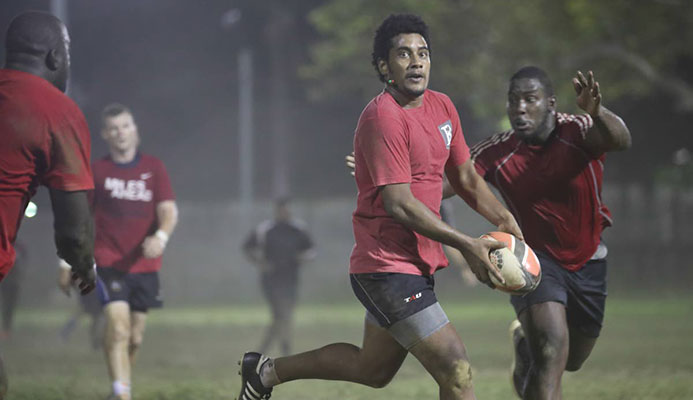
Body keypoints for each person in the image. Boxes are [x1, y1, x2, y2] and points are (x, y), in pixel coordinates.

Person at [237, 14, 522, 400]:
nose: (417, 61)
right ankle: (265, 373)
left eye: (423, 53)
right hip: (385, 269)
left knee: (371, 370)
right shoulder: (383, 116)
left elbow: (467, 178)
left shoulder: (442, 107)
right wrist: (467, 244)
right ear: (384, 67)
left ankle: (264, 373)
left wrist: (505, 219)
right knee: (456, 369)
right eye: (404, 54)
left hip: (414, 265)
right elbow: (400, 205)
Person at [468, 66, 631, 399]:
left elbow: (621, 140)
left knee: (571, 360)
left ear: (551, 103)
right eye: (513, 101)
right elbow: (449, 181)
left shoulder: (579, 129)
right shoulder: (498, 151)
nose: (520, 108)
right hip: (535, 261)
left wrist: (597, 111)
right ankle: (535, 346)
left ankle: (524, 345)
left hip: (589, 259)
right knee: (552, 350)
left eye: (530, 99)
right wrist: (383, 173)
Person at [0, 11, 96, 399]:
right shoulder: (57, 111)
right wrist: (83, 263)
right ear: (56, 56)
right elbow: (73, 228)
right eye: (68, 53)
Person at [92, 103, 178, 400]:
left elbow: (168, 210)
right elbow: (80, 219)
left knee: (135, 337)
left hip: (145, 267)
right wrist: (67, 262)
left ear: (135, 130)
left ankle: (121, 386)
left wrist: (161, 237)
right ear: (105, 134)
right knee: (118, 326)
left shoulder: (154, 168)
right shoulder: (97, 171)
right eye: (114, 128)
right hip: (108, 262)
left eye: (126, 126)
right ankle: (121, 392)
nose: (121, 133)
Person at [242, 197, 316, 356]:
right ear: (276, 211)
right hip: (271, 279)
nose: (284, 212)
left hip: (291, 279)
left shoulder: (298, 229)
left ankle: (266, 350)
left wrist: (303, 258)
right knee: (281, 314)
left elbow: (311, 250)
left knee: (283, 316)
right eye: (281, 210)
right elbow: (247, 248)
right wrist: (259, 263)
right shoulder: (265, 230)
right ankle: (282, 350)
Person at [58, 259, 105, 350]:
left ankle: (95, 341)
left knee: (92, 314)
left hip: (92, 284)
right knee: (91, 313)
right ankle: (65, 332)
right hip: (91, 284)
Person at [0, 241, 27, 340]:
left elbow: (23, 262)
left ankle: (7, 329)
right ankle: (6, 329)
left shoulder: (19, 247)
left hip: (13, 283)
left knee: (9, 307)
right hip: (5, 281)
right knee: (6, 306)